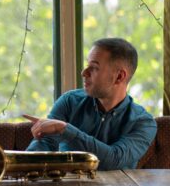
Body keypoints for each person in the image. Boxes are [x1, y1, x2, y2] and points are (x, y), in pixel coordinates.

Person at [24, 38, 157, 170]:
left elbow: (115, 159)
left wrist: (65, 129)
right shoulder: (69, 101)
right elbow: (45, 143)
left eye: (94, 68)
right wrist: (25, 163)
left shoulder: (144, 123)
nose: (84, 73)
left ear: (119, 77)